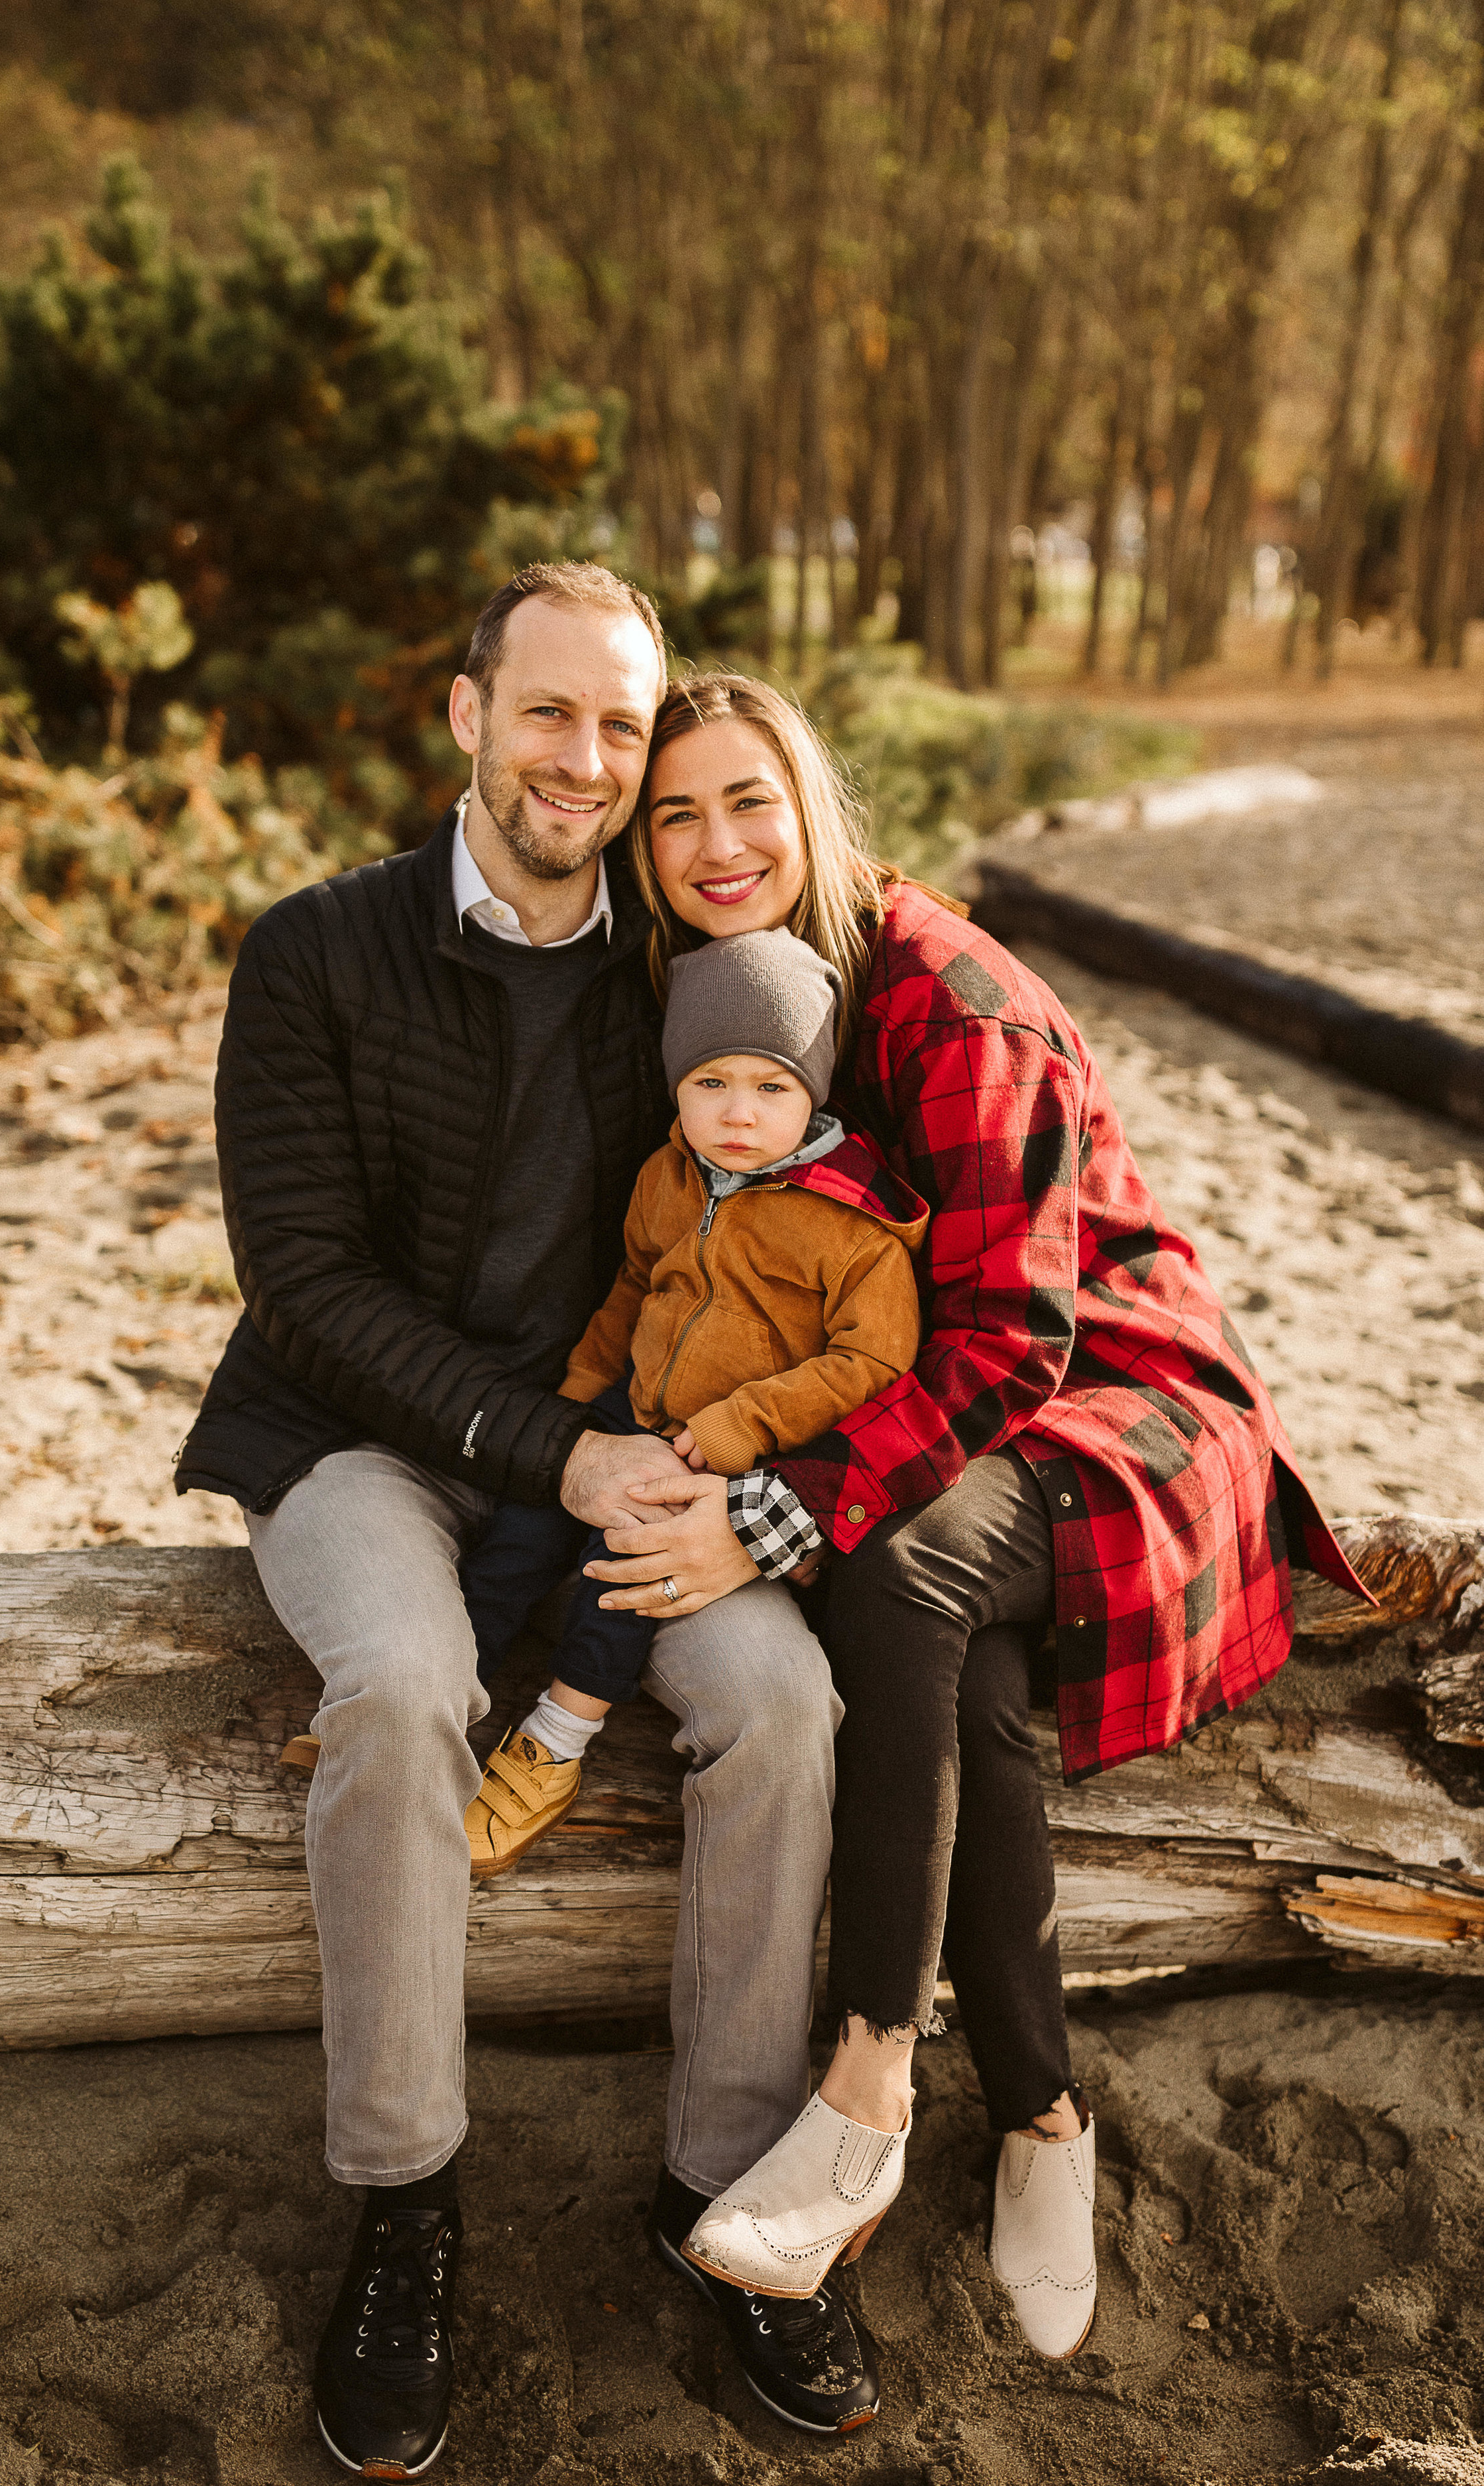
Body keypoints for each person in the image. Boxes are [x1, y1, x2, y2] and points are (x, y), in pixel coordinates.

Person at [174, 567, 884, 2477]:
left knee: (784, 1704)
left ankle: (727, 2194)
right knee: (403, 1687)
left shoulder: (677, 977)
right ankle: (407, 2204)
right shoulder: (314, 951)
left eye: (621, 727)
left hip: (619, 1462)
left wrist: (665, 1471)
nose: (586, 757)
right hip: (358, 1446)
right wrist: (539, 1445)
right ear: (469, 713)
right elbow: (302, 1278)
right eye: (548, 711)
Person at [576, 670, 1369, 2361]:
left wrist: (767, 1519)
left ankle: (865, 2083)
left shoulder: (947, 1003)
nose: (715, 846)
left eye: (747, 803)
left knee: (900, 1567)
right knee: (967, 1687)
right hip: (940, 1390)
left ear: (810, 806)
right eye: (674, 813)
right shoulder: (715, 995)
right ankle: (1041, 2120)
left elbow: (1013, 1337)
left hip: (1115, 1400)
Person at [458, 923, 927, 1877]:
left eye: (771, 1087)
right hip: (633, 1412)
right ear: (676, 1083)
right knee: (517, 1533)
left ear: (814, 1092)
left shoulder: (855, 1225)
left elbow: (874, 1358)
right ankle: (443, 1707)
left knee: (621, 1573)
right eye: (711, 1082)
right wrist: (577, 1400)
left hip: (739, 1451)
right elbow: (633, 1288)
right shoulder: (669, 1175)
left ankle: (556, 1742)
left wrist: (738, 1427)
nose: (739, 1113)